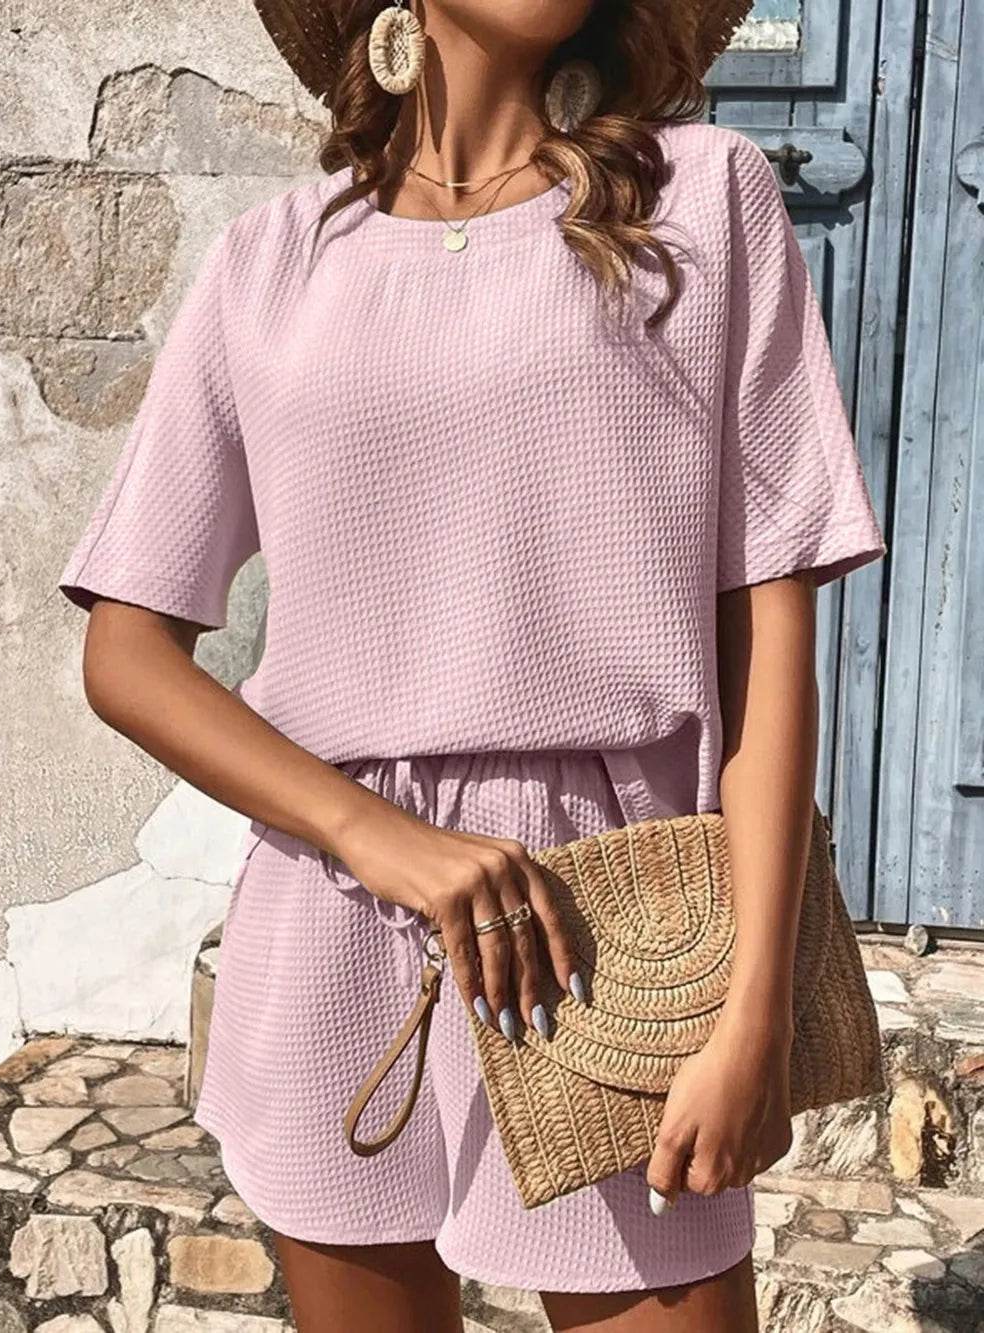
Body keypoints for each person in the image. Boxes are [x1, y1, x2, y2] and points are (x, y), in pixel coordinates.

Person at [56, 1, 887, 1329]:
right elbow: (126, 648)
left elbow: (767, 639)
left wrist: (755, 1013)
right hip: (336, 911)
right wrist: (374, 835)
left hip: (616, 925)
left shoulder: (701, 202)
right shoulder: (271, 262)